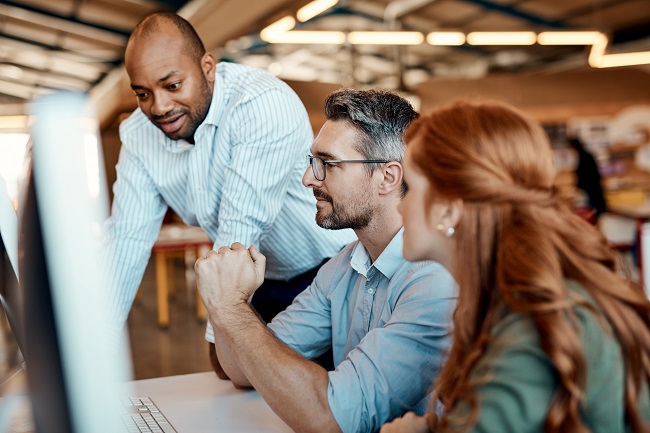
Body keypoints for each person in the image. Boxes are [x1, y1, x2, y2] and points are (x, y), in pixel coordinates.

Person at [194, 88, 457, 433]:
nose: (309, 179)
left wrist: (231, 308)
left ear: (388, 177)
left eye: (328, 164)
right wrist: (227, 300)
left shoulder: (436, 281)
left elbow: (332, 419)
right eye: (312, 162)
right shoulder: (342, 268)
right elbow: (242, 371)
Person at [380, 100, 650, 433]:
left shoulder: (532, 327)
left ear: (449, 210)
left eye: (410, 188)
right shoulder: (530, 297)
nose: (400, 205)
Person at [102, 12, 354, 368]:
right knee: (256, 406)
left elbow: (240, 228)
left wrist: (219, 337)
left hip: (327, 273)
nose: (158, 107)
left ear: (207, 67)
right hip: (257, 282)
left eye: (173, 86)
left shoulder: (260, 103)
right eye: (143, 94)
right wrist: (86, 351)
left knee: (325, 398)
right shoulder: (139, 135)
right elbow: (125, 242)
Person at [568, 137, 607, 224]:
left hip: (590, 186)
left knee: (593, 208)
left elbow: (583, 173)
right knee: (594, 207)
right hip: (592, 185)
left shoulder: (584, 156)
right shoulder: (585, 155)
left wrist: (578, 185)